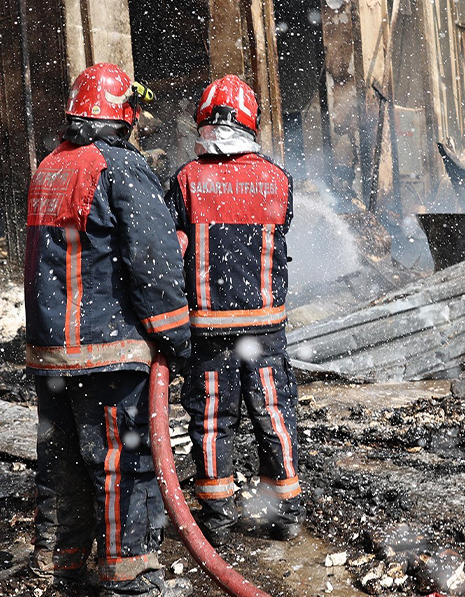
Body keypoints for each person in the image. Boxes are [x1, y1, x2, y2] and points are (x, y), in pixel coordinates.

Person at [24, 63, 191, 597]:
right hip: (105, 348)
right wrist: (174, 336)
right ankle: (128, 573)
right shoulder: (119, 167)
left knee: (63, 462)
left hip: (51, 352)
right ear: (123, 115)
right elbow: (152, 257)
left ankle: (59, 564)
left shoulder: (50, 165)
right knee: (121, 462)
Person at [165, 75, 301, 546]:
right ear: (250, 122)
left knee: (211, 422)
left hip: (208, 330)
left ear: (204, 121)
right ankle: (286, 513)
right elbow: (282, 227)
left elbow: (171, 246)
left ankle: (217, 519)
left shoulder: (186, 179)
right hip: (265, 328)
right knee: (274, 414)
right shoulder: (277, 178)